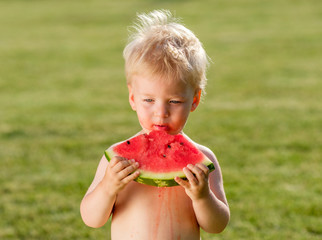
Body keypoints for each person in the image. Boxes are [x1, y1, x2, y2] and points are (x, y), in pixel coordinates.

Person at [80, 9, 230, 240]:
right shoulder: (117, 162)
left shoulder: (202, 159)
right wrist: (108, 187)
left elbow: (217, 225)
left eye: (174, 101)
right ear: (132, 98)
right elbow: (91, 218)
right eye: (148, 100)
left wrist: (202, 197)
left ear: (195, 100)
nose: (161, 112)